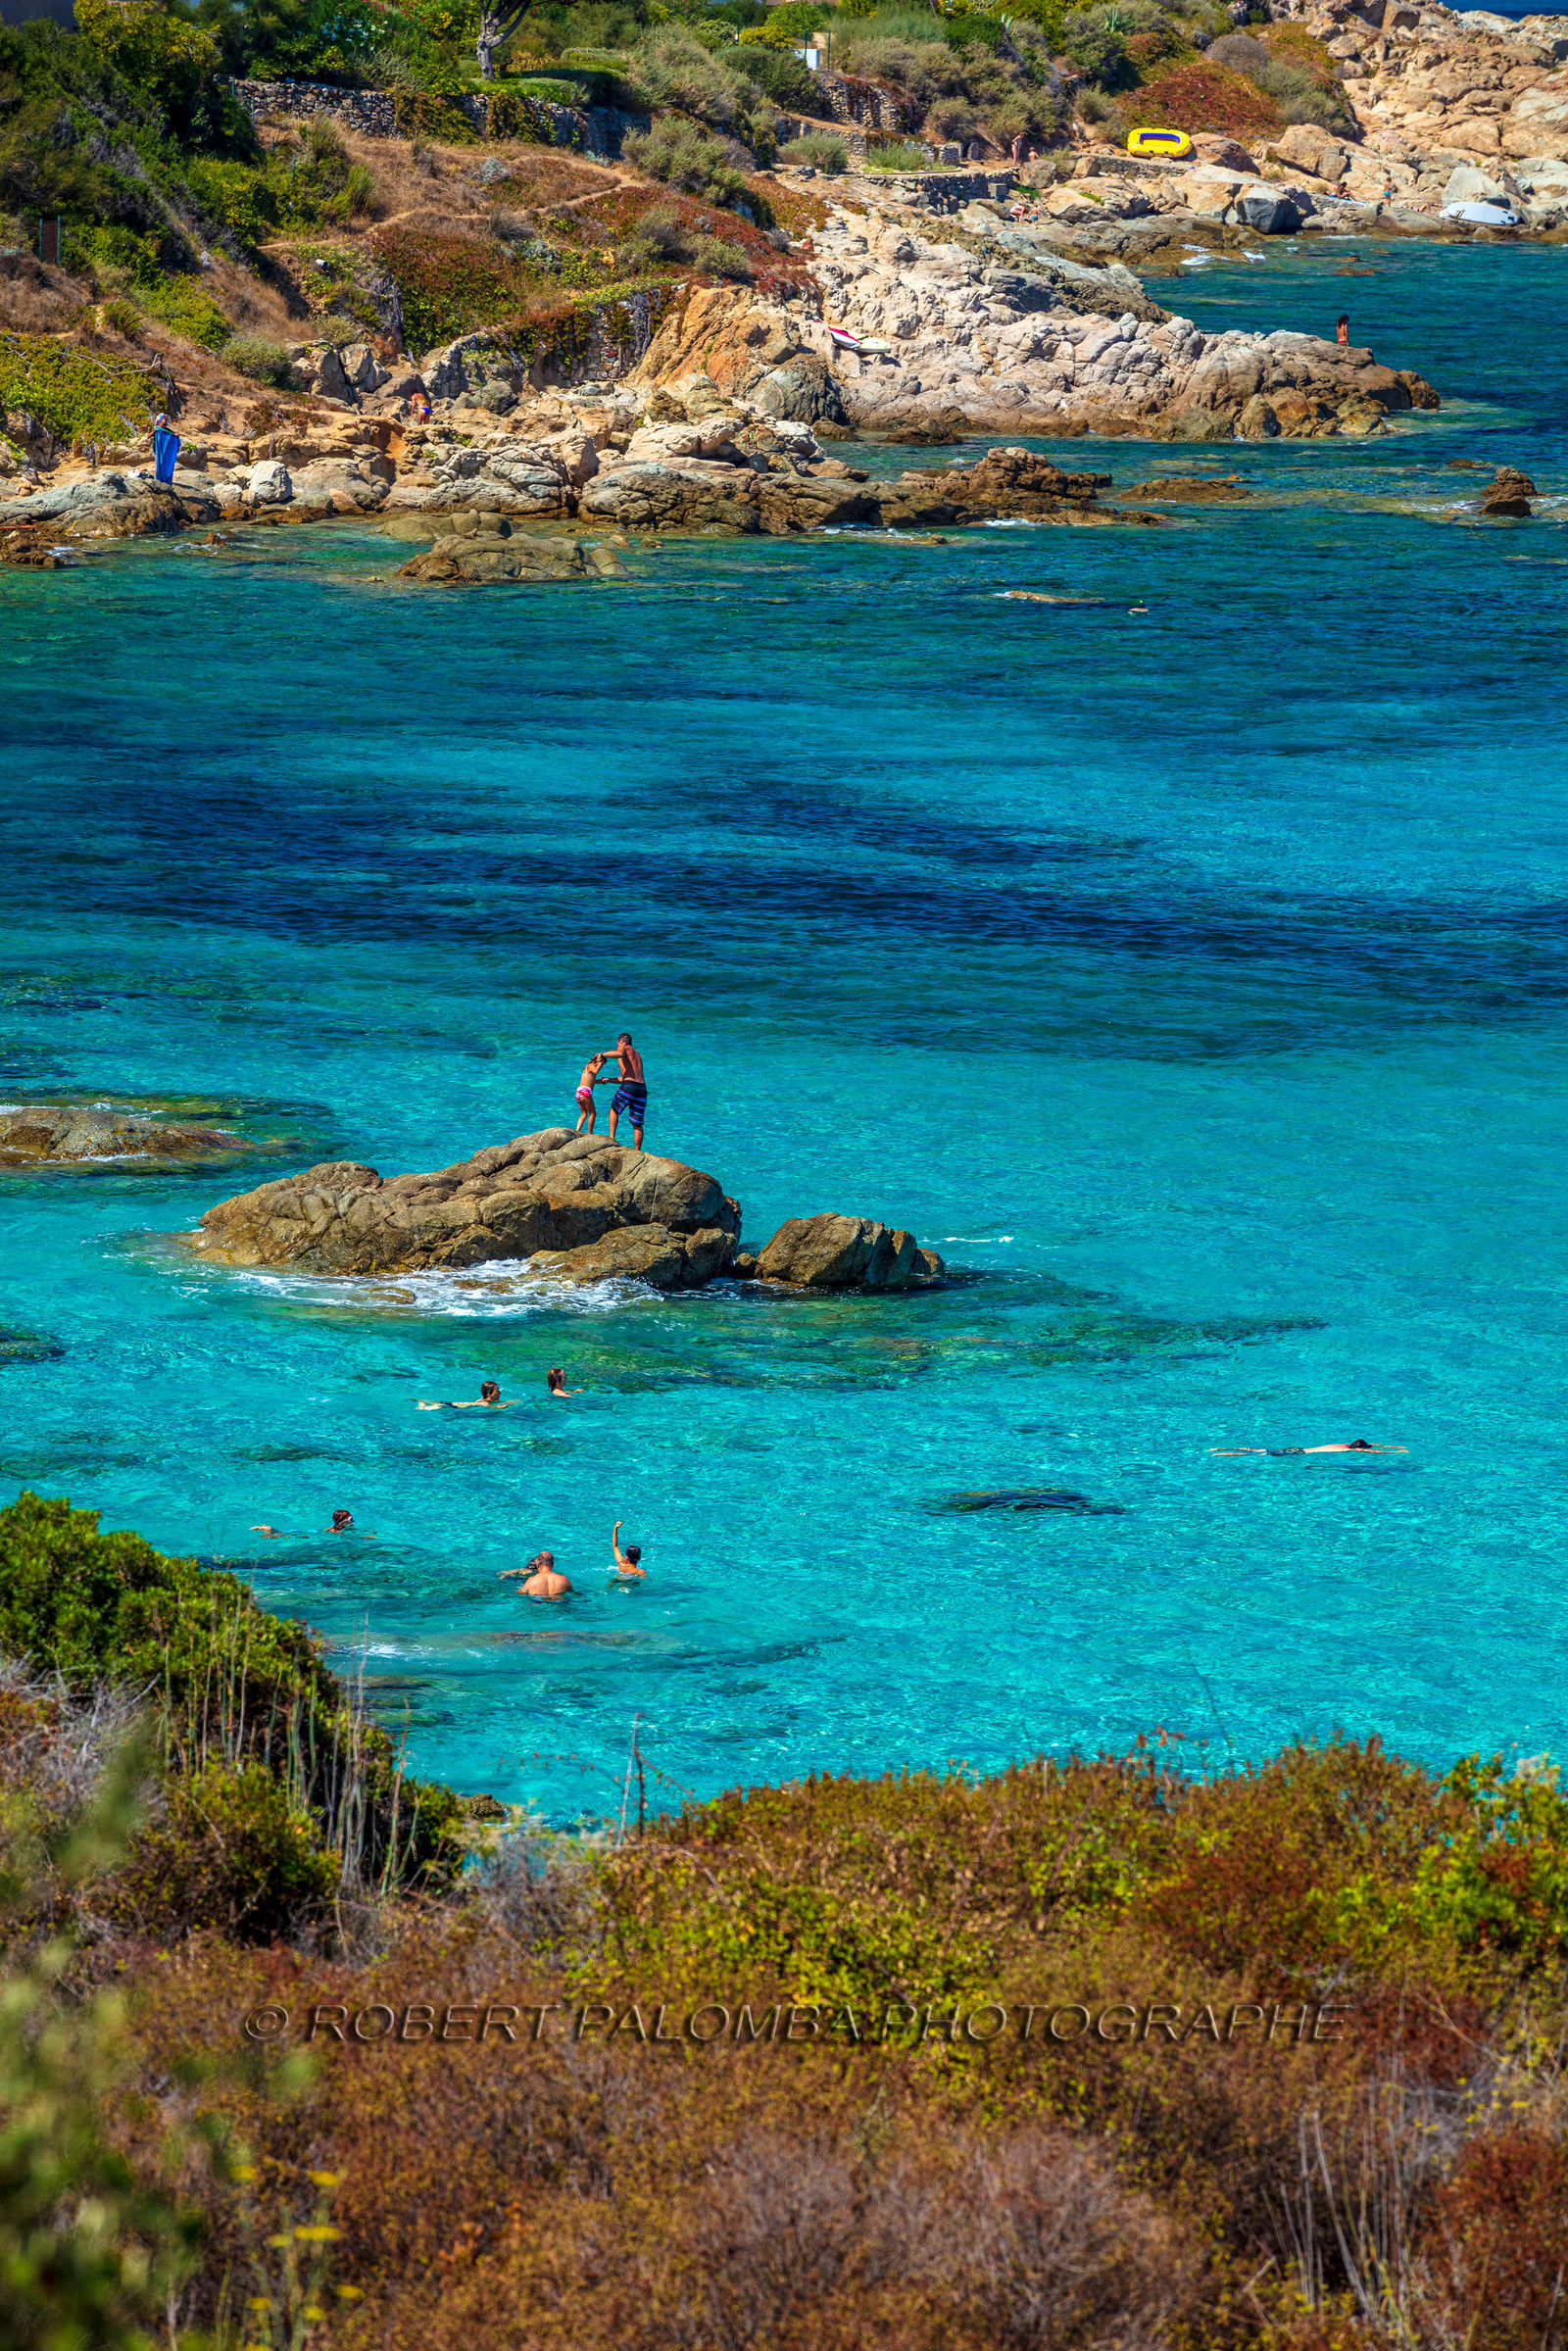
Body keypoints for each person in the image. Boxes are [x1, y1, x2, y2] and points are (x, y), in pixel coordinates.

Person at [604, 1032, 647, 1151]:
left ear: (620, 1041)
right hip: (641, 1089)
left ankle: (611, 1138)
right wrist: (609, 1080)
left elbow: (619, 1053)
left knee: (614, 1110)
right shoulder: (637, 1055)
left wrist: (602, 1055)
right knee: (637, 1123)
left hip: (629, 1087)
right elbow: (625, 1077)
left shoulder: (623, 1047)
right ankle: (637, 1151)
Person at [500, 1549, 573, 1598]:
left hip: (537, 1605)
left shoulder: (532, 1580)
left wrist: (506, 1593)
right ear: (552, 1564)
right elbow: (573, 1594)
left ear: (537, 1564)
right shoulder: (564, 1579)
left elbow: (521, 1593)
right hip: (559, 1606)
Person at [1209, 1440, 1408, 1455]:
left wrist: (1395, 1445)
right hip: (1298, 1453)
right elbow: (1375, 1450)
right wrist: (1397, 1451)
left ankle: (1219, 1448)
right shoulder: (1350, 1450)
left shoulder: (1345, 1443)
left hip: (1299, 1448)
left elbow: (1374, 1444)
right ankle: (1225, 1453)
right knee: (1261, 1454)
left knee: (1260, 1450)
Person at [574, 1051, 611, 1136]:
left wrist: (600, 1082)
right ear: (598, 1061)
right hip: (585, 1092)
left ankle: (577, 1131)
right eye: (602, 1065)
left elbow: (590, 1080)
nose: (601, 1067)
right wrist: (600, 1064)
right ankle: (590, 1133)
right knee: (593, 1113)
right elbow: (595, 1072)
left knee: (583, 1114)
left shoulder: (587, 1067)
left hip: (579, 1092)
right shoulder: (591, 1066)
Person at [416, 1380, 511, 1409]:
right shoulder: (485, 1403)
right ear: (490, 1394)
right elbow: (491, 1407)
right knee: (425, 1410)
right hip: (453, 1406)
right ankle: (421, 1403)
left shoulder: (481, 1399)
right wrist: (499, 1407)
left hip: (453, 1404)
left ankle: (421, 1401)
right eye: (497, 1391)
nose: (499, 1393)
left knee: (433, 1404)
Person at [152, 413, 180, 486]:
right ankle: (158, 478)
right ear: (160, 423)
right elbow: (148, 436)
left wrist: (176, 435)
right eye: (163, 424)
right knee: (159, 463)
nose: (164, 426)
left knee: (164, 463)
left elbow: (173, 435)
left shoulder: (167, 430)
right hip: (156, 449)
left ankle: (164, 479)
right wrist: (154, 431)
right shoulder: (157, 429)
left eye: (165, 424)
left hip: (164, 450)